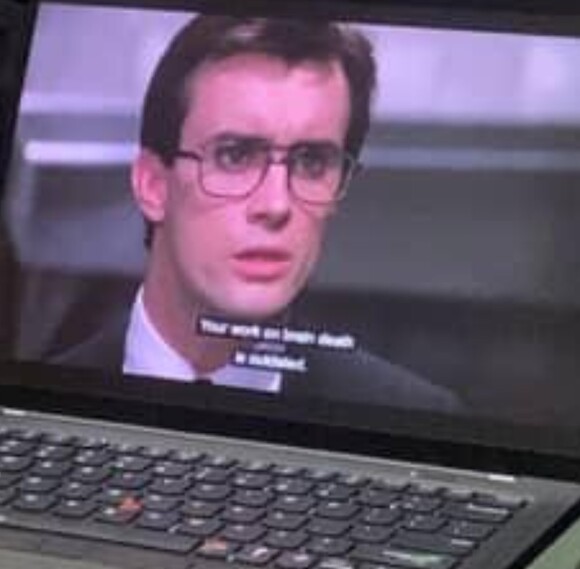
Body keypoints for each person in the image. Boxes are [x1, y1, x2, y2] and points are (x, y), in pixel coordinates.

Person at [53, 15, 458, 412]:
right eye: (234, 156)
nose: (276, 205)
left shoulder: (412, 414)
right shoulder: (48, 395)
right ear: (153, 184)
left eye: (312, 162)